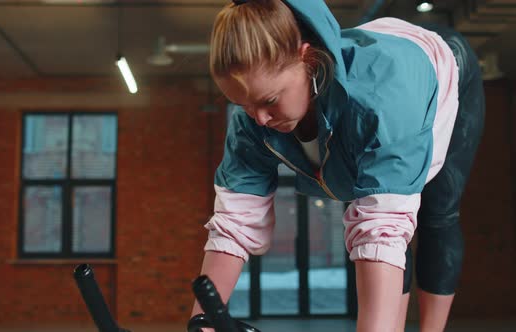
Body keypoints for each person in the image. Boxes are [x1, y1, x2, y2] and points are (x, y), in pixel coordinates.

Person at [190, 0, 485, 331]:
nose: (259, 118)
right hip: (371, 78)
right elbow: (235, 220)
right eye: (243, 105)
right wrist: (203, 321)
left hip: (441, 68)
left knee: (435, 214)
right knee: (374, 219)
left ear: (306, 57)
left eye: (270, 101)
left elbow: (382, 229)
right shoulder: (251, 122)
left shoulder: (381, 104)